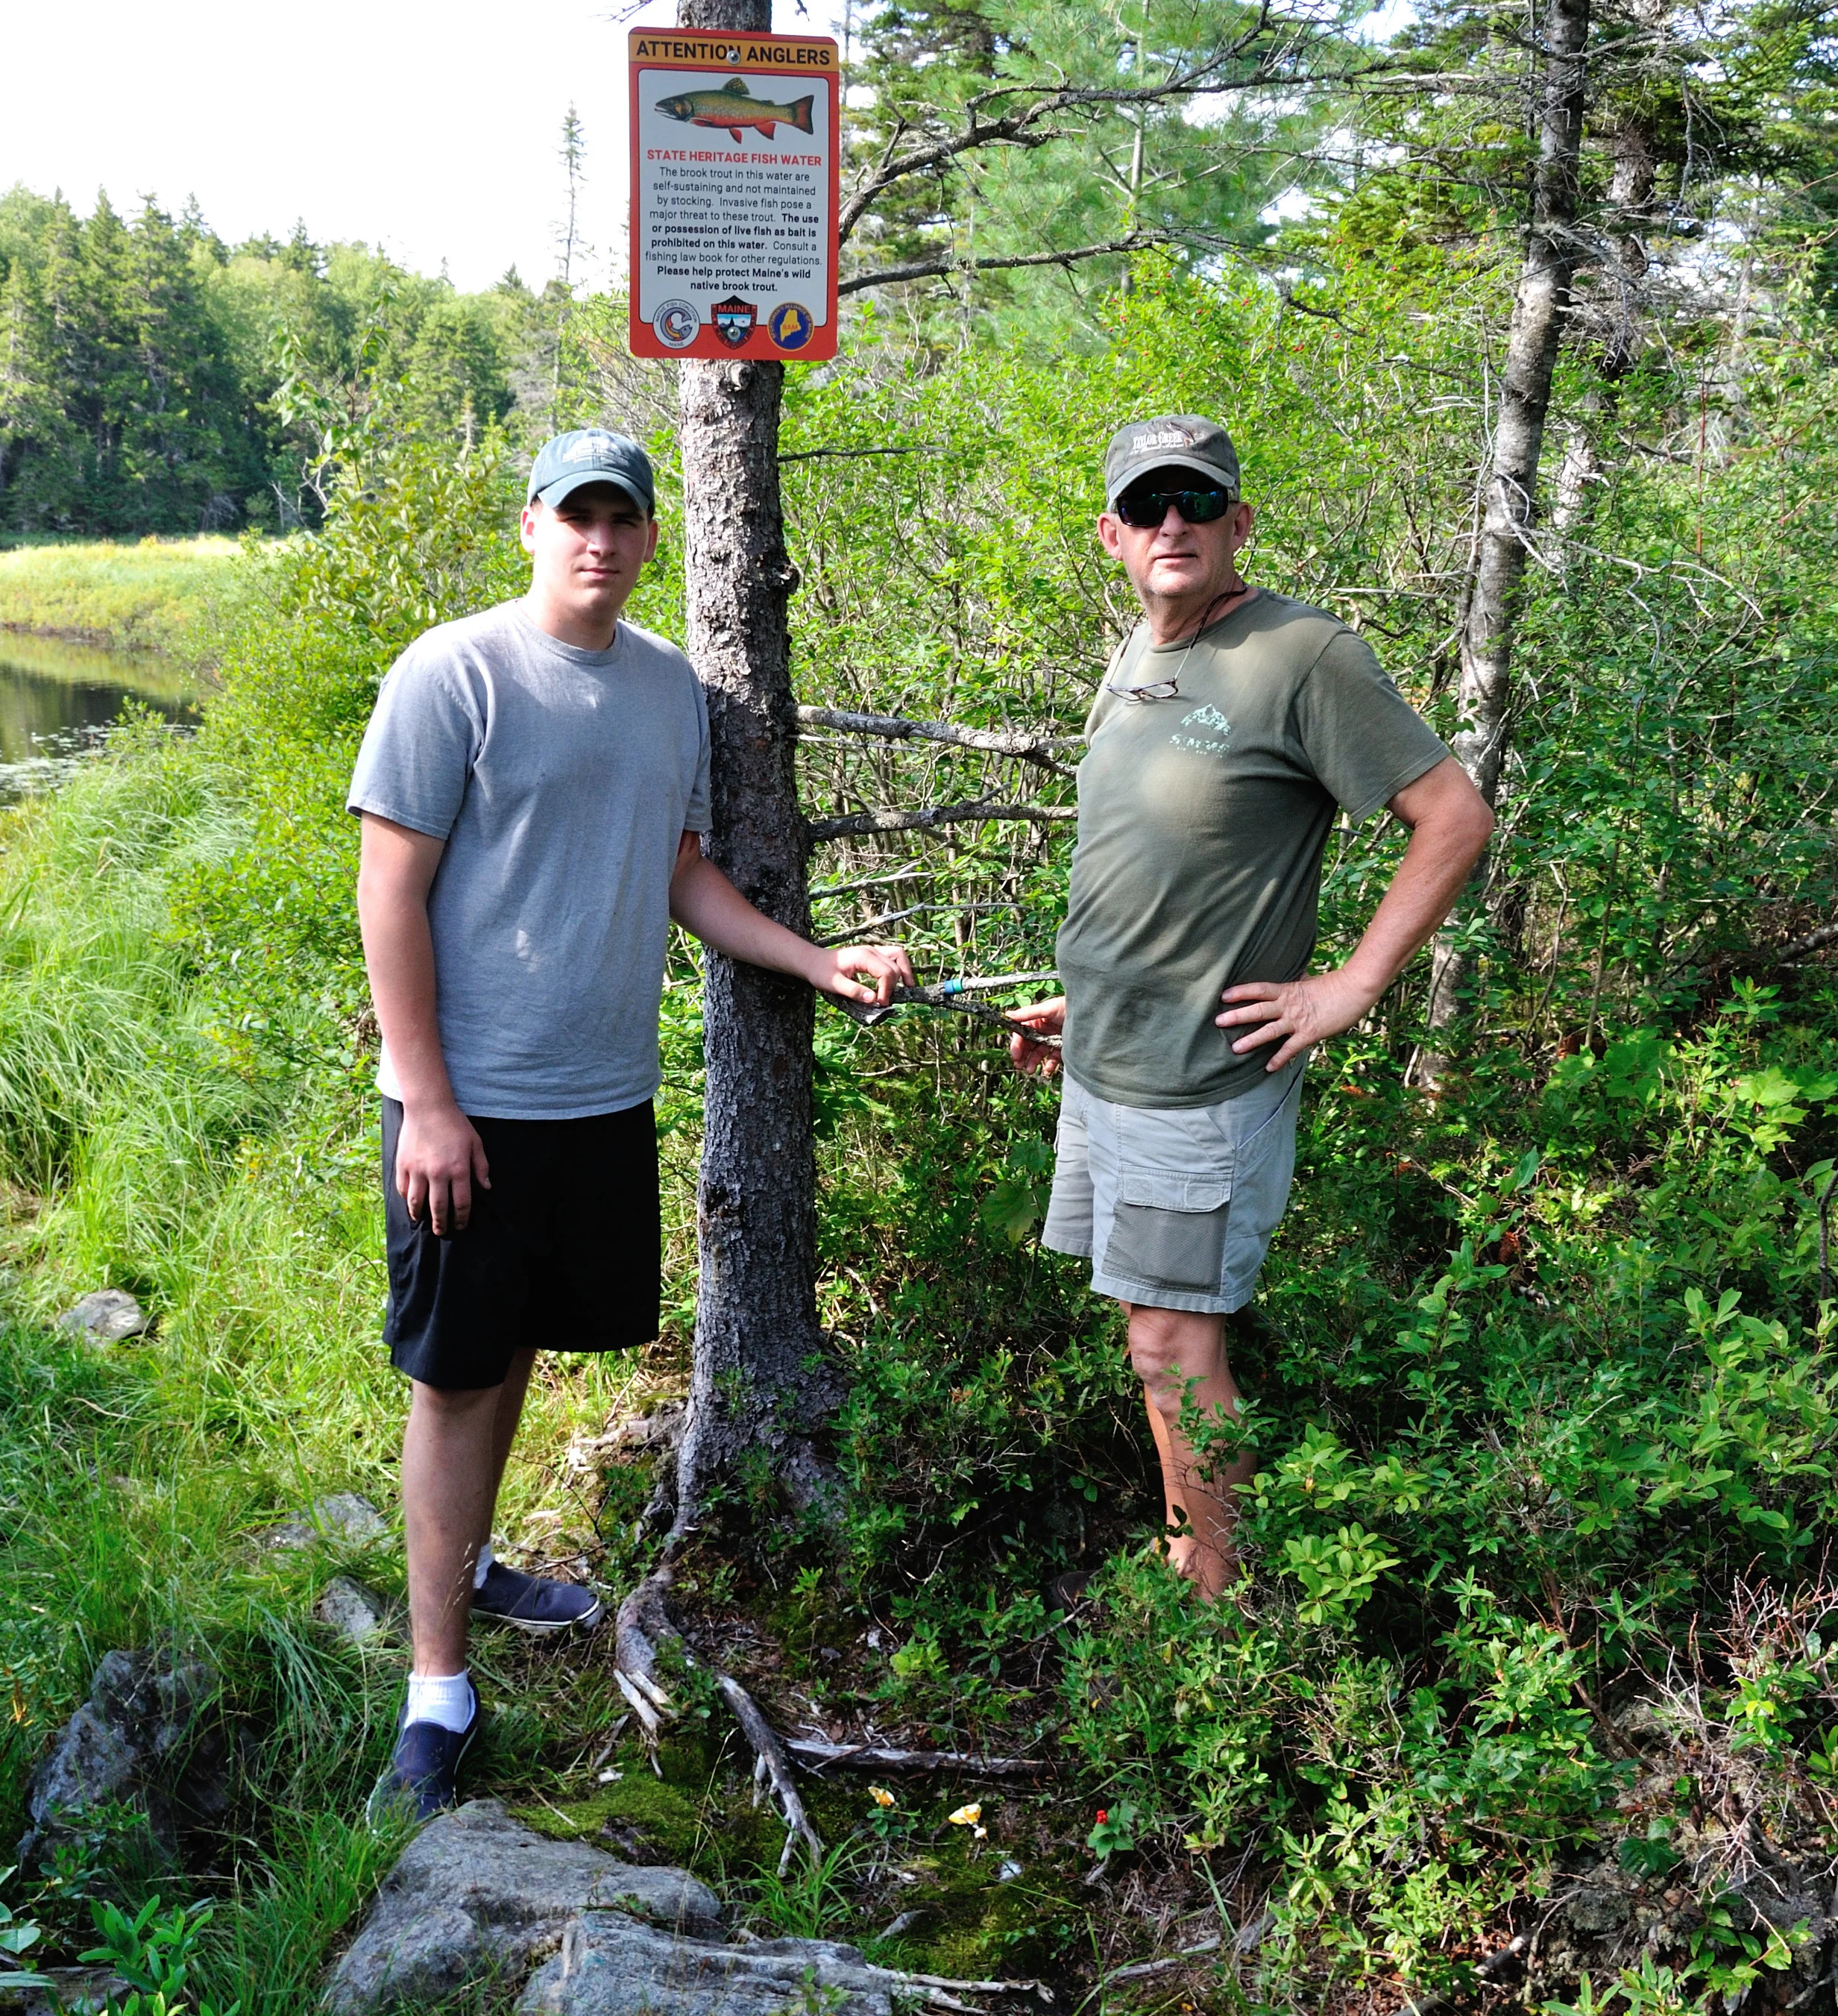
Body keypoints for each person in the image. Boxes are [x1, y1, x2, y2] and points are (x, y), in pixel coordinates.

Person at [348, 427, 910, 1818]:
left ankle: (472, 1565)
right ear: (531, 524)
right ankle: (437, 1687)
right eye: (575, 514)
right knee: (456, 1373)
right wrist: (426, 1099)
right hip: (466, 1103)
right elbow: (388, 895)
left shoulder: (671, 691)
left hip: (602, 1097)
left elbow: (682, 874)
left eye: (624, 518)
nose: (600, 539)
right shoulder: (453, 671)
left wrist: (813, 959)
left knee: (522, 1336)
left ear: (656, 536)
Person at [1007, 414, 1493, 1598]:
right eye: (1147, 507)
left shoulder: (1302, 655)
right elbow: (1165, 861)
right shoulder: (1140, 652)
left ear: (1238, 523)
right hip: (1111, 1058)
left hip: (1200, 1080)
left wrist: (1353, 984)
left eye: (1196, 504)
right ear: (1113, 534)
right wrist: (1085, 997)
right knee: (1149, 1333)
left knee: (1176, 1346)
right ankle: (1199, 1555)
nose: (1172, 525)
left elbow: (1455, 818)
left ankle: (1214, 1600)